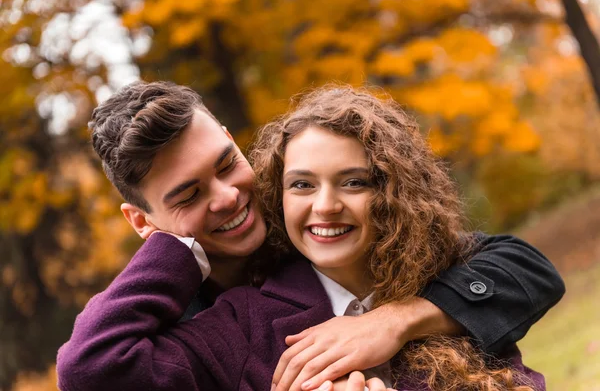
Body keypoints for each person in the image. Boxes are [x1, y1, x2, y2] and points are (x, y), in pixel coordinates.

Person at [56, 81, 563, 390]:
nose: (230, 198)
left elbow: (525, 268)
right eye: (188, 195)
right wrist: (172, 251)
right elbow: (89, 368)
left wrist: (393, 321)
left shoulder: (339, 236)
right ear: (143, 222)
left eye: (227, 165)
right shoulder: (207, 328)